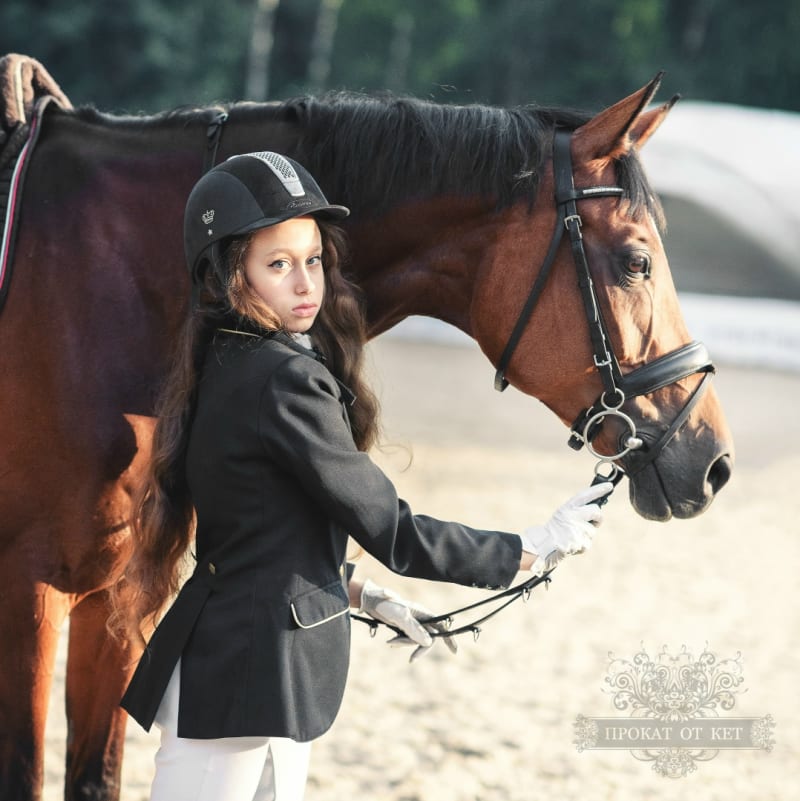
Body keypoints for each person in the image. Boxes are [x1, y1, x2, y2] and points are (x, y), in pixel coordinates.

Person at [110, 151, 611, 801]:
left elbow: (263, 530)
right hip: (243, 677)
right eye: (278, 264)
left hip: (254, 668)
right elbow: (390, 527)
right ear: (230, 275)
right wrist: (531, 547)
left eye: (313, 259)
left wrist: (358, 594)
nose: (305, 284)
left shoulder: (227, 360)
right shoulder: (282, 377)